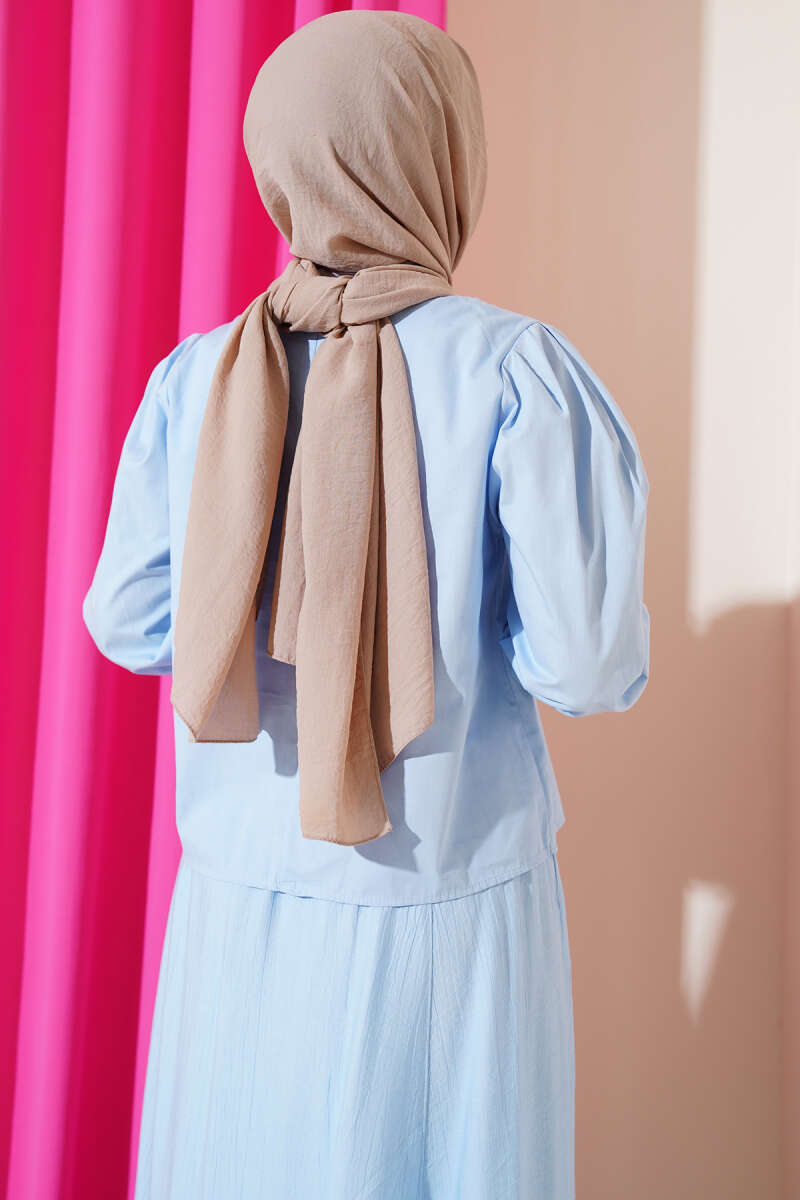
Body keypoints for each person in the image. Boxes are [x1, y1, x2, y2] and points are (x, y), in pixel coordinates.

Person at [82, 10, 650, 1199]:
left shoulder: (200, 376)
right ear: (440, 155)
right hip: (447, 901)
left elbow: (129, 623)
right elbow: (587, 665)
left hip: (236, 906)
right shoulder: (515, 372)